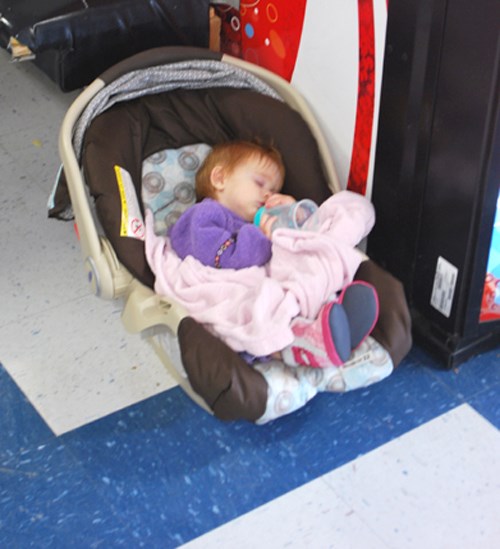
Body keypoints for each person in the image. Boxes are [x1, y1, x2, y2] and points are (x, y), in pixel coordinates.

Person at [169, 140, 379, 368]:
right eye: (259, 183)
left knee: (312, 253)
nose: (268, 195)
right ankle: (298, 343)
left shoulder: (252, 223)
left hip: (274, 283)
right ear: (220, 179)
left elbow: (286, 250)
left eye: (274, 191)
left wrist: (292, 215)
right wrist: (260, 235)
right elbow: (224, 258)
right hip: (237, 288)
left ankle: (330, 316)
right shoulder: (204, 214)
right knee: (261, 302)